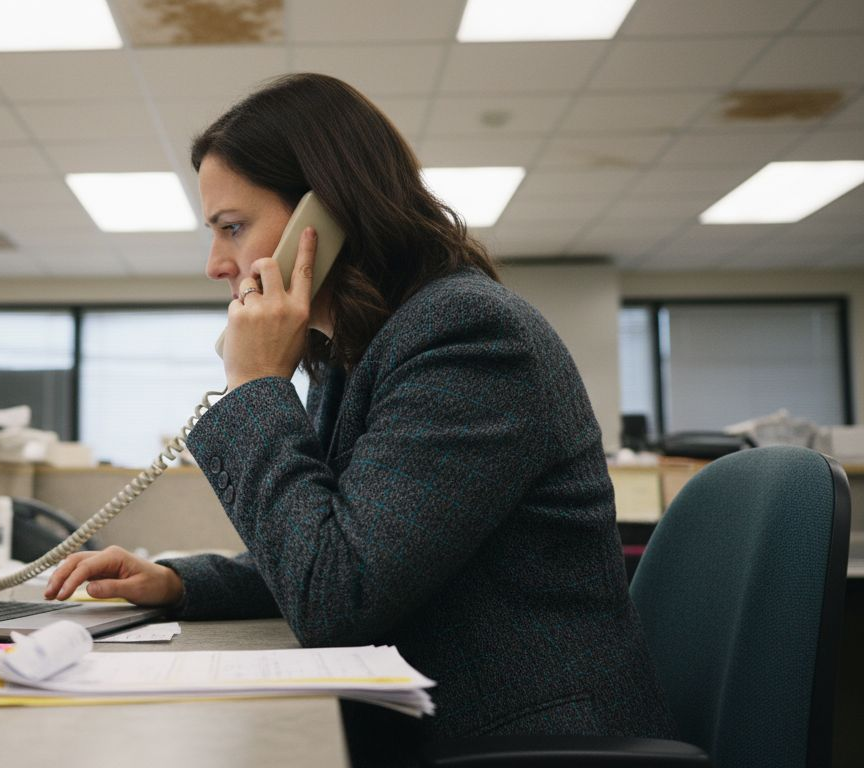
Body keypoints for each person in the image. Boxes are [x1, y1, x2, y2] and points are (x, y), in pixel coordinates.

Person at [44, 73, 675, 758]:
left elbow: (336, 595)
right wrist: (176, 581)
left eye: (233, 227)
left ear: (329, 214)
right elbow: (344, 546)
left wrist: (255, 382)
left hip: (522, 741)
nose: (216, 264)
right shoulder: (362, 350)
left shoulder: (466, 335)